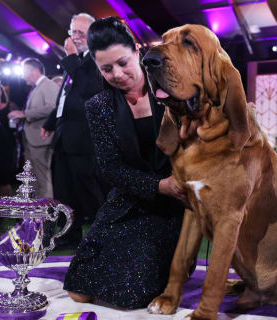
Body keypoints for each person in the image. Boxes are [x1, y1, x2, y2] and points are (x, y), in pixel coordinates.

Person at [63, 17, 188, 309]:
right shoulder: (98, 106)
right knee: (78, 289)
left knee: (130, 295)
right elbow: (111, 168)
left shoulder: (174, 90)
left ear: (137, 51)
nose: (117, 74)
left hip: (175, 203)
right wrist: (159, 185)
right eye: (106, 69)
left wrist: (174, 187)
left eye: (122, 62)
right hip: (129, 200)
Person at [42, 13, 106, 249]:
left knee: (90, 194)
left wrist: (70, 58)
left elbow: (89, 90)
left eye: (81, 32)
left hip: (84, 141)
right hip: (63, 137)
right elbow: (64, 98)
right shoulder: (75, 61)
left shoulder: (96, 60)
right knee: (64, 193)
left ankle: (105, 238)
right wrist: (50, 122)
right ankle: (70, 235)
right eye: (73, 31)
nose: (75, 37)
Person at [8, 58, 59, 198]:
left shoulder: (48, 85)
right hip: (32, 139)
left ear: (33, 71)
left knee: (43, 177)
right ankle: (36, 213)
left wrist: (25, 114)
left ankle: (46, 214)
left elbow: (52, 108)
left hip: (41, 139)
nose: (22, 76)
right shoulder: (37, 87)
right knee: (34, 178)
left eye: (24, 72)